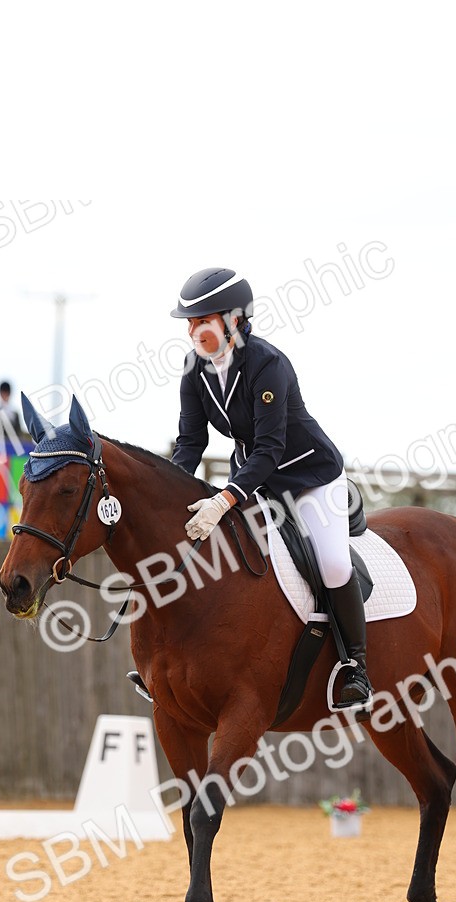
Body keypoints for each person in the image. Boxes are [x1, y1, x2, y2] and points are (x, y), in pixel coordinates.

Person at [170, 267, 373, 715]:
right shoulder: (194, 370)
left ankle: (356, 667)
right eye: (190, 322)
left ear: (235, 320)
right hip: (258, 480)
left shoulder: (268, 365)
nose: (193, 330)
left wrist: (224, 498)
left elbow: (270, 448)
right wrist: (168, 490)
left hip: (308, 477)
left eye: (203, 319)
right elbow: (190, 443)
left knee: (335, 564)